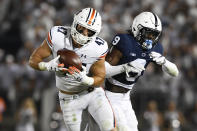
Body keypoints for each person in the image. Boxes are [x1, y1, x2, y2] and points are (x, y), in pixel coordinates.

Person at [29, 7, 116, 131]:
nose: (84, 33)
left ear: (96, 33)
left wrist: (87, 80)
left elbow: (100, 77)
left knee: (110, 128)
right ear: (75, 22)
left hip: (92, 93)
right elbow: (33, 59)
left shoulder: (98, 47)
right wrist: (46, 66)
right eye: (81, 27)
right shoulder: (57, 35)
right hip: (68, 98)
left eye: (89, 31)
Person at [104, 12, 179, 131]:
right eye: (148, 33)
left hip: (126, 97)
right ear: (136, 28)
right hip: (110, 95)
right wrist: (124, 67)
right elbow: (102, 71)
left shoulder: (157, 48)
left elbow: (175, 73)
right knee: (122, 128)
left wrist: (164, 62)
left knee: (133, 128)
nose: (150, 38)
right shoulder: (125, 41)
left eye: (154, 35)